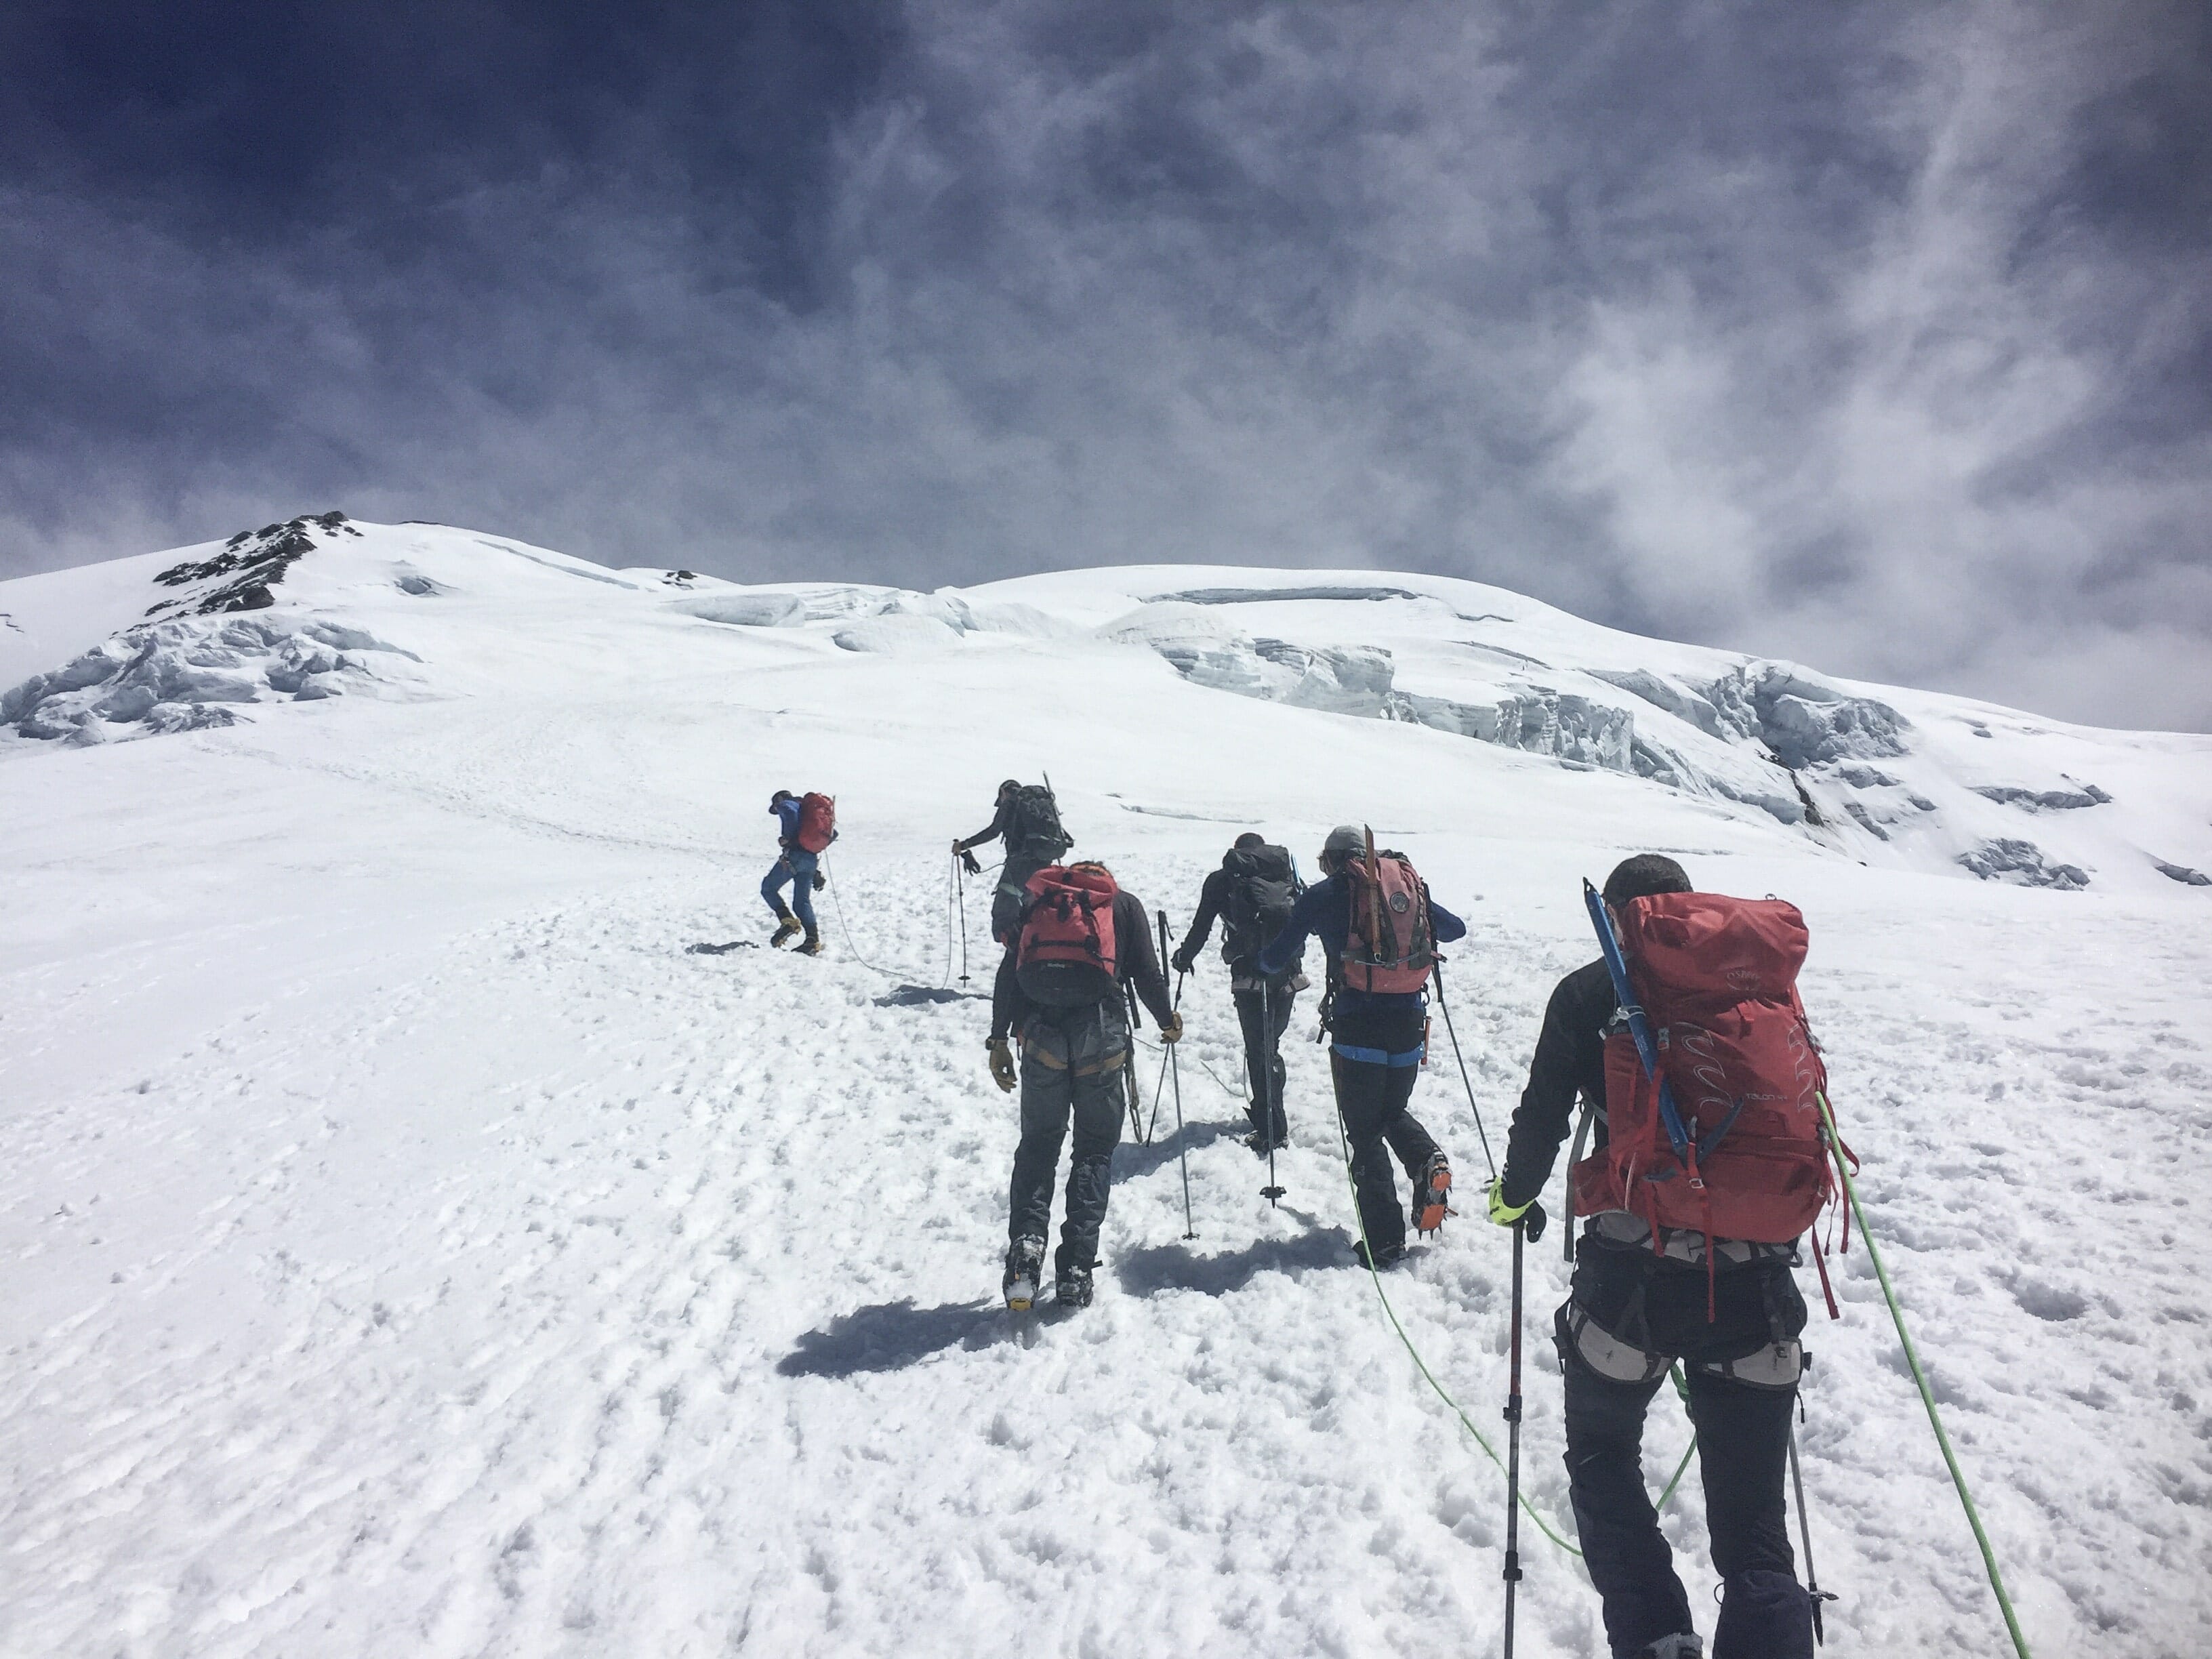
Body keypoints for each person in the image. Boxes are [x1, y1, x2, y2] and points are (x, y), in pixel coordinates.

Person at [1486, 854, 1815, 1659]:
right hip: (1755, 1290)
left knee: (1603, 1455)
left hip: (1630, 1279)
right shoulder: (1759, 992)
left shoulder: (1591, 990)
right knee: (1754, 1526)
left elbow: (1543, 1115)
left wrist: (1516, 1197)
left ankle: (1656, 1635)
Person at [1256, 825, 1466, 1267]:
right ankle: (1426, 1159)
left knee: (1366, 1132)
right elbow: (1455, 929)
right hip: (1409, 1023)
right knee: (1391, 1111)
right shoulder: (1407, 885)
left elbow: (1275, 958)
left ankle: (1385, 1241)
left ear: (1332, 860)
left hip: (1357, 1030)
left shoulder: (1327, 893)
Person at [987, 861, 1177, 1311]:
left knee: (1039, 1144)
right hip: (1102, 1037)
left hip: (1040, 1036)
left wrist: (998, 1039)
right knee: (1093, 1150)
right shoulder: (1122, 905)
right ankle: (1075, 1266)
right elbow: (1148, 974)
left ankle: (1027, 1249)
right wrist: (1167, 1020)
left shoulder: (1041, 901)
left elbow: (1008, 972)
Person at [1171, 833, 1305, 1153]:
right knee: (1270, 1045)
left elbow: (1202, 925)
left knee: (1259, 1049)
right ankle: (1268, 1113)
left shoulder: (1222, 880)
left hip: (1249, 974)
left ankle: (1271, 1128)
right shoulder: (1285, 874)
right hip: (1288, 974)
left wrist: (1183, 957)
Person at [954, 779, 1074, 943]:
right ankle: (1034, 948)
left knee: (1004, 912)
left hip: (1019, 867)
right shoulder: (1039, 807)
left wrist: (965, 845)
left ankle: (1013, 952)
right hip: (1044, 866)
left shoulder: (1011, 803)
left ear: (1003, 793)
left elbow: (993, 831)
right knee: (1033, 910)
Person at [762, 789, 826, 955]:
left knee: (768, 888)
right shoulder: (807, 811)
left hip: (794, 857)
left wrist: (789, 840)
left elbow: (788, 811)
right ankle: (813, 940)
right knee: (801, 901)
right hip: (810, 860)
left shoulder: (787, 805)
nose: (777, 810)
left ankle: (788, 922)